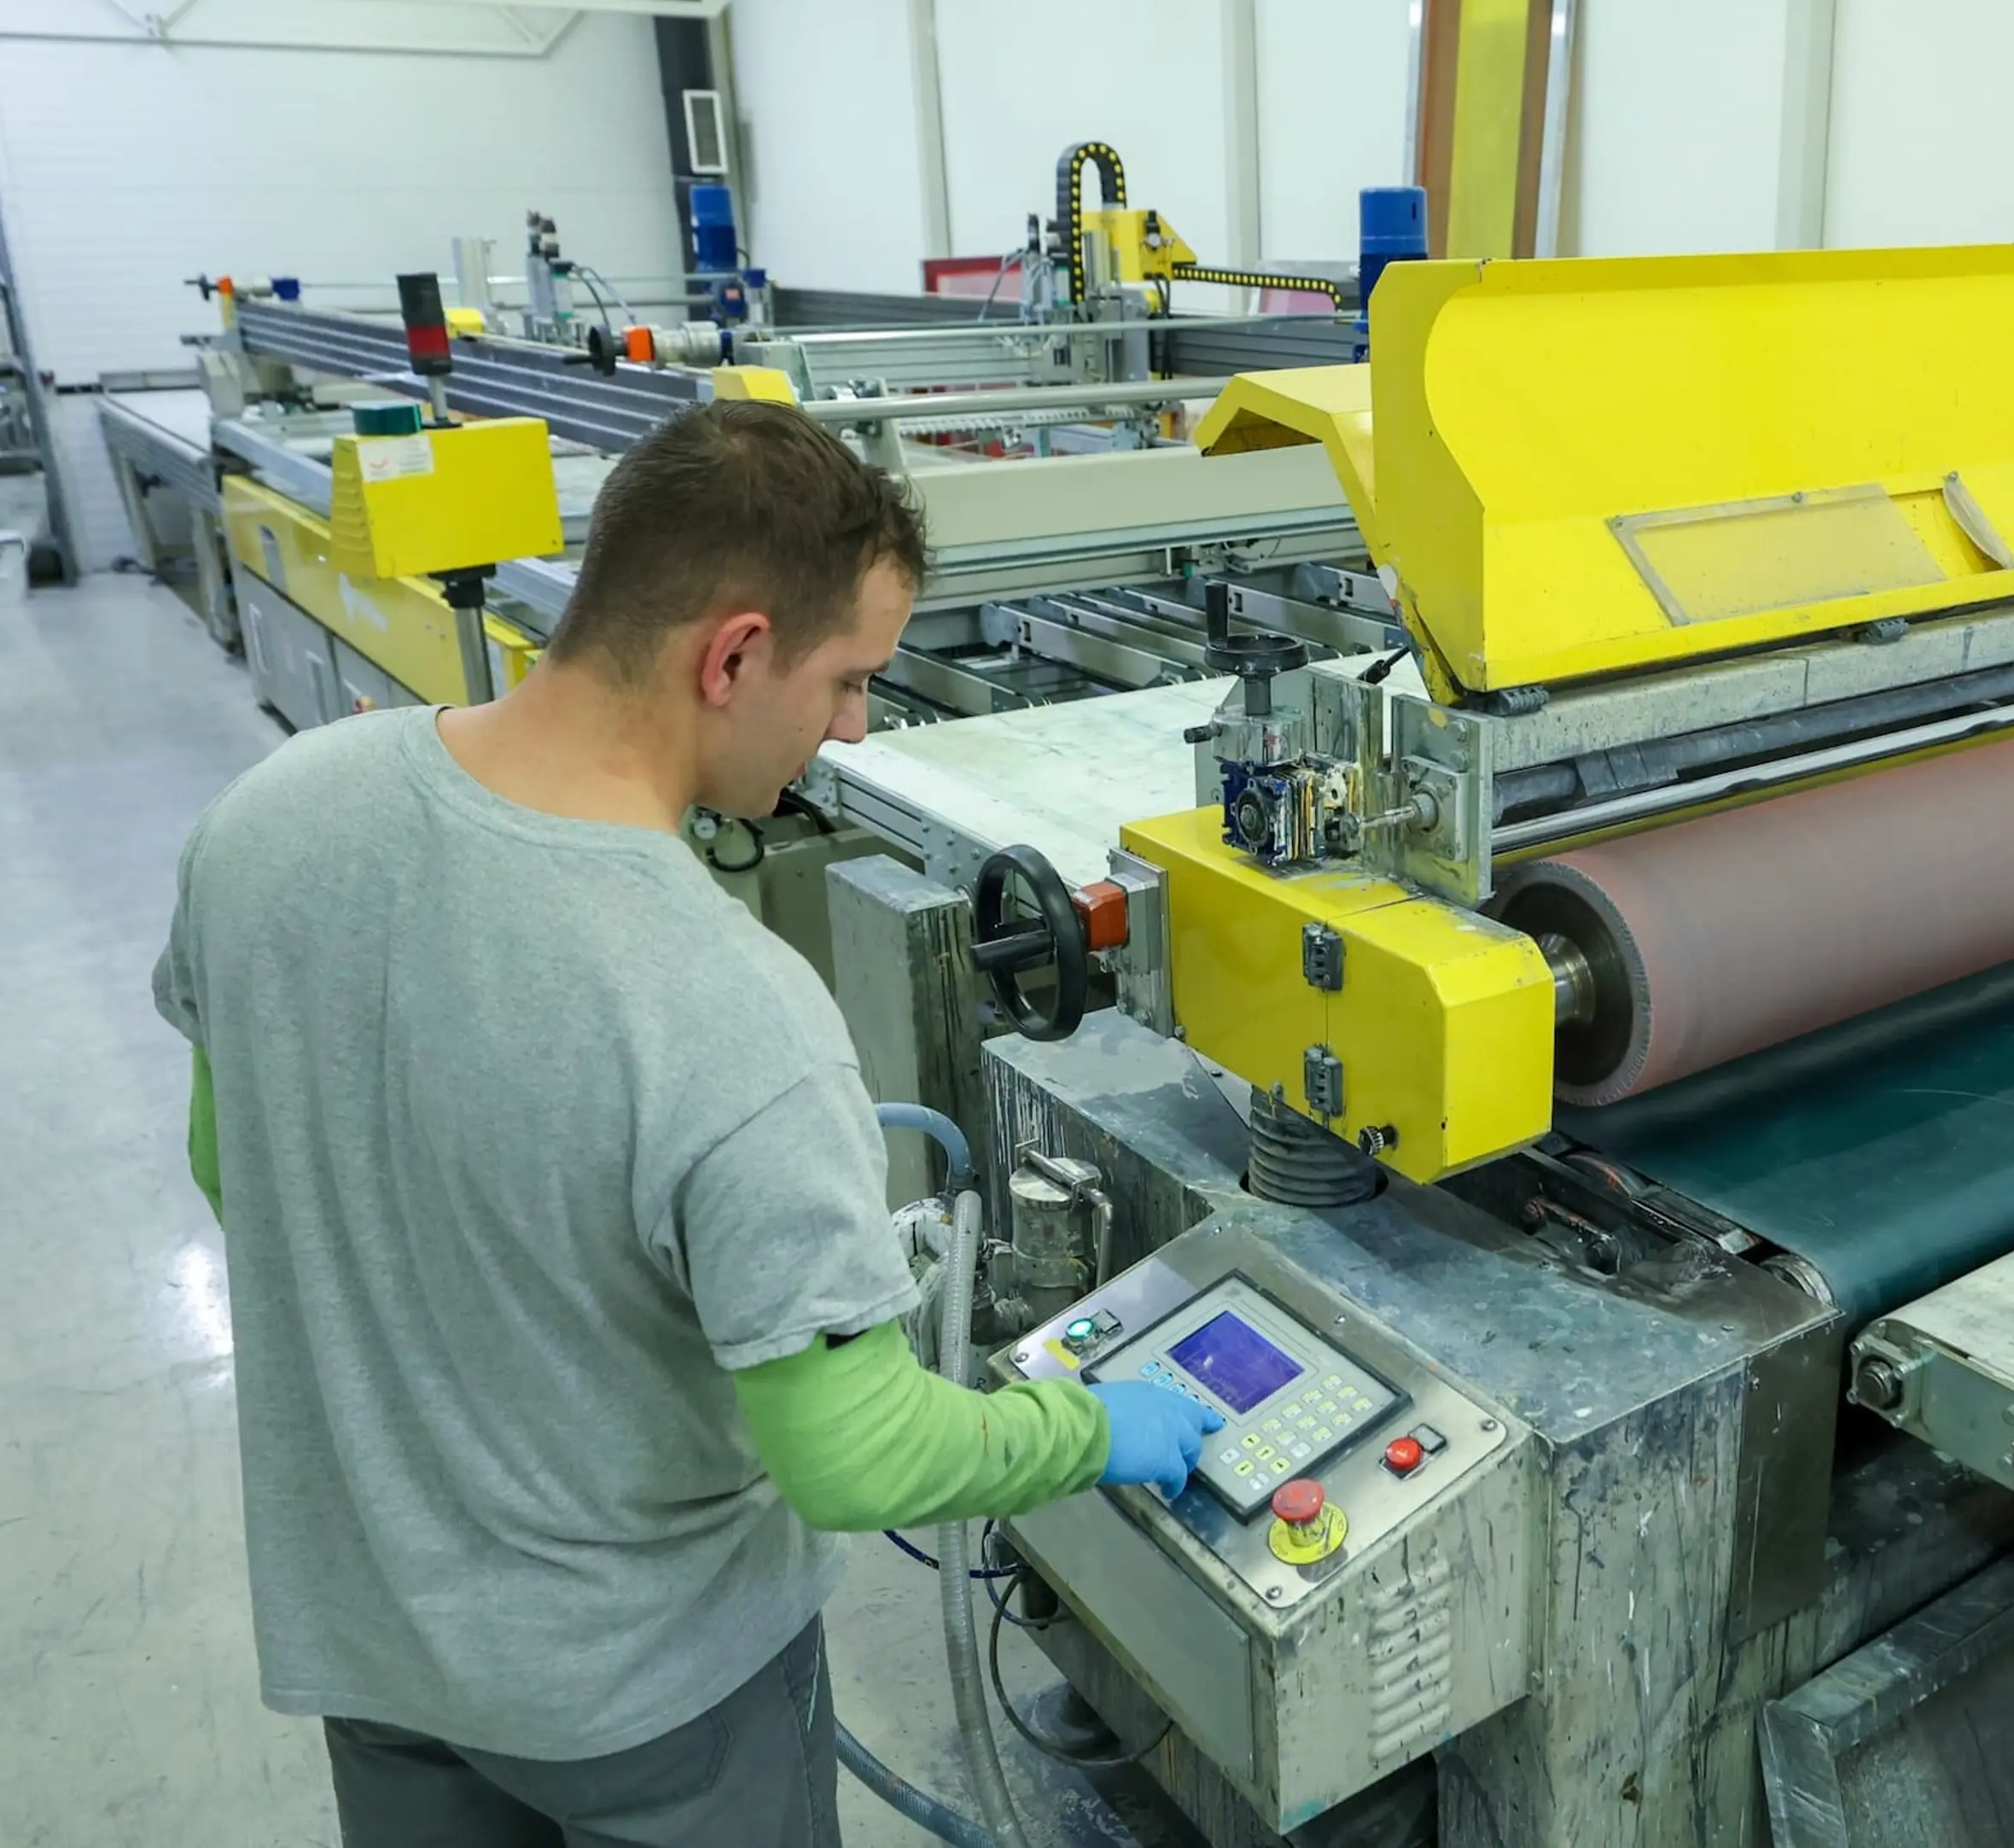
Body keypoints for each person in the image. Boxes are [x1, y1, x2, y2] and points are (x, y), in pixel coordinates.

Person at [151, 399, 1219, 1846]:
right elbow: (858, 1459)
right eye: (847, 679)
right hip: (650, 1692)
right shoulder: (729, 1010)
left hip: (379, 1640)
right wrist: (1092, 1425)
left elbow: (237, 1167)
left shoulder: (271, 817)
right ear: (731, 653)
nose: (853, 725)